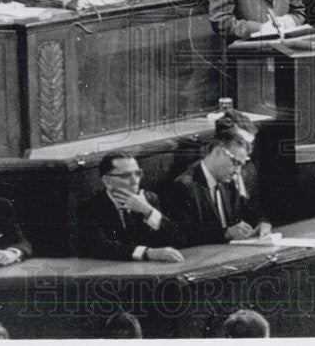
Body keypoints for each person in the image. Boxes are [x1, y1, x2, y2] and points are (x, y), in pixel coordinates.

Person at [168, 110, 271, 246]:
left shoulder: (227, 182)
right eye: (235, 163)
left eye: (241, 164)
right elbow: (185, 236)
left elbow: (248, 210)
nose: (238, 171)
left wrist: (262, 223)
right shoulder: (184, 186)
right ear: (217, 152)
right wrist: (225, 233)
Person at [74, 151, 184, 262]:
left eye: (138, 174)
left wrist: (147, 211)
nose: (135, 181)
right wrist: (148, 253)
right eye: (126, 176)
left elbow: (177, 239)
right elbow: (101, 248)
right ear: (107, 181)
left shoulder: (149, 199)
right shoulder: (89, 208)